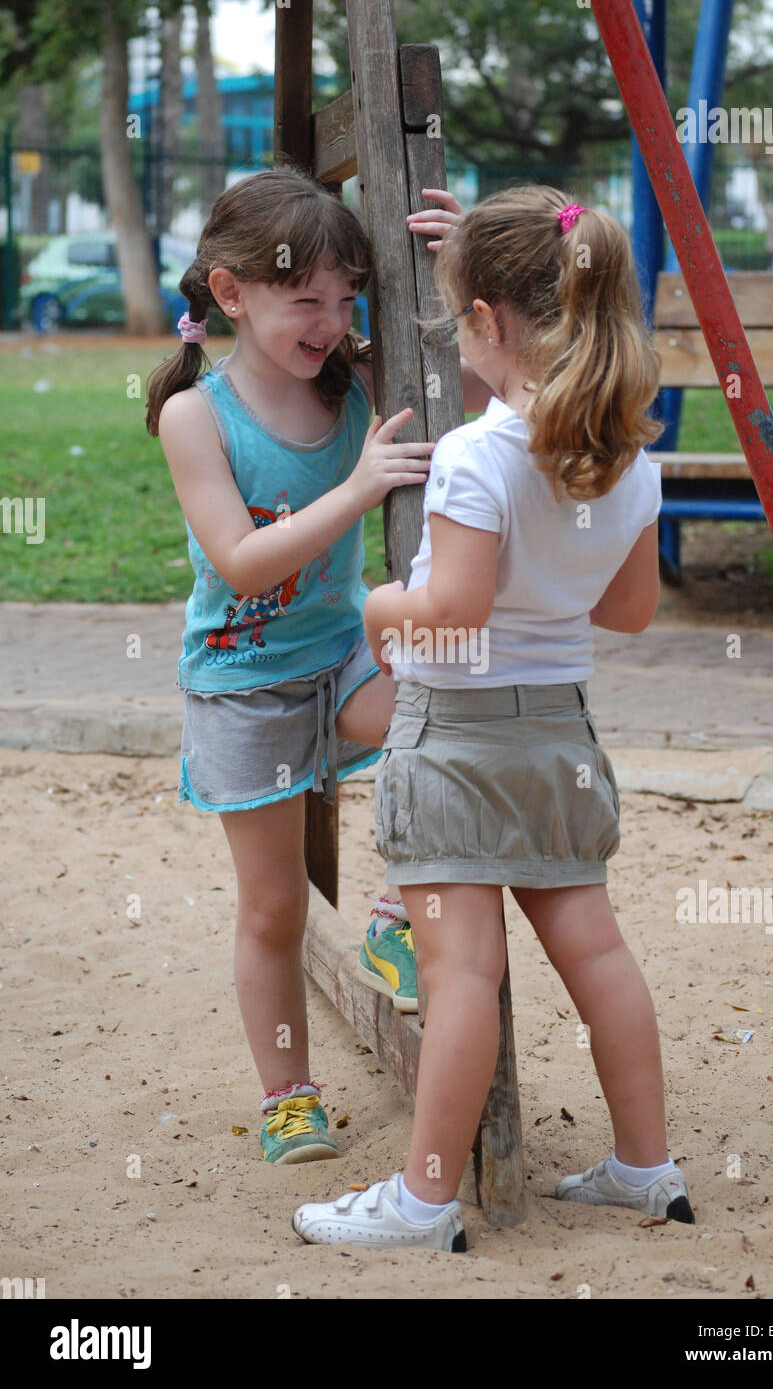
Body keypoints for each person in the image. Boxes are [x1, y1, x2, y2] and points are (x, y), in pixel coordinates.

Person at [292, 186, 695, 1249]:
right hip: (561, 740)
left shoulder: (479, 455)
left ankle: (424, 1202)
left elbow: (452, 619)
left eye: (455, 310)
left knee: (463, 972)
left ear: (484, 324)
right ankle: (647, 1168)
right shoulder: (626, 459)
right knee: (599, 956)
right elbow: (632, 610)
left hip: (459, 744)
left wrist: (377, 609)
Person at [145, 165, 489, 1165]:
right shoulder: (195, 416)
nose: (332, 322)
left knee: (444, 705)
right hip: (242, 682)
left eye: (348, 300)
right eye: (307, 300)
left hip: (340, 656)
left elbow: (474, 382)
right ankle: (289, 1096)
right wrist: (358, 484)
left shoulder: (352, 380)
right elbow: (244, 561)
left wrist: (459, 262)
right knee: (274, 906)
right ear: (231, 292)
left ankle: (392, 912)